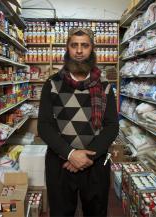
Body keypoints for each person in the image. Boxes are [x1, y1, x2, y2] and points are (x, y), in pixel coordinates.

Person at [38, 27, 119, 217]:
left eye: (85, 45)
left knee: (96, 212)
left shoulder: (105, 86)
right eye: (74, 45)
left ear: (92, 49)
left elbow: (112, 126)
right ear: (67, 48)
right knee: (60, 213)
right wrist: (70, 154)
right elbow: (44, 126)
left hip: (95, 164)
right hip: (60, 164)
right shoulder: (52, 84)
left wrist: (86, 157)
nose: (79, 51)